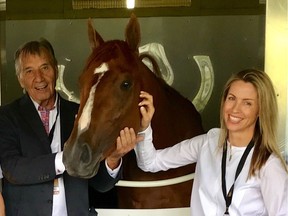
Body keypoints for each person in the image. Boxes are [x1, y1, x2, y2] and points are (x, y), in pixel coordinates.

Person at [120, 69, 288, 215]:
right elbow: (150, 162)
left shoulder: (268, 164)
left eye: (247, 103)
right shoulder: (208, 142)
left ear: (260, 110)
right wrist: (144, 126)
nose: (235, 109)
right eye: (231, 98)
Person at [0, 38, 133, 216]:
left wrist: (114, 158)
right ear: (20, 80)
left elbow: (100, 184)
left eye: (45, 67)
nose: (39, 78)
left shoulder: (80, 114)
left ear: (55, 69)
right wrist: (67, 158)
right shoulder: (7, 116)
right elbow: (13, 168)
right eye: (29, 71)